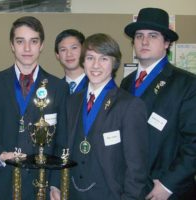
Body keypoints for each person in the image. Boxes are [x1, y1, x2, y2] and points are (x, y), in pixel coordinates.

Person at [51, 33, 149, 200]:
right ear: (83, 61)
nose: (95, 65)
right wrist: (55, 184)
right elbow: (61, 147)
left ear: (114, 63)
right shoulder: (71, 102)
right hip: (72, 193)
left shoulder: (130, 105)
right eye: (90, 58)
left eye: (104, 59)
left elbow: (137, 168)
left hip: (111, 194)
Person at [0, 16, 68, 199]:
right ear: (12, 45)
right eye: (20, 41)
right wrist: (0, 154)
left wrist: (55, 183)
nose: (27, 48)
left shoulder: (58, 87)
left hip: (41, 184)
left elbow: (62, 139)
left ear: (42, 45)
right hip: (2, 182)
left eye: (33, 41)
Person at [121, 7, 196, 200]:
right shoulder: (126, 83)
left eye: (153, 36)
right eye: (139, 36)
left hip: (167, 190)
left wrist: (168, 185)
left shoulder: (187, 84)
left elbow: (193, 143)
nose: (144, 41)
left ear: (167, 43)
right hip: (129, 187)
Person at [55, 29, 88, 94]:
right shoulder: (55, 89)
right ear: (57, 55)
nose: (69, 54)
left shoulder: (97, 86)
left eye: (74, 48)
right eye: (63, 50)